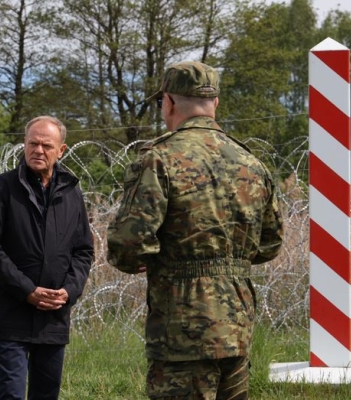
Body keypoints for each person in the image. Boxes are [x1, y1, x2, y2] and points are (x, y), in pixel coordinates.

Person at [107, 61, 283, 399]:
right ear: (215, 103)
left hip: (181, 327)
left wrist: (143, 259)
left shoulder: (159, 159)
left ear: (169, 102)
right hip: (236, 322)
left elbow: (128, 243)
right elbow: (271, 242)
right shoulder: (251, 163)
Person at [0, 116, 94, 400]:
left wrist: (69, 291)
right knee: (12, 394)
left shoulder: (71, 193)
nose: (38, 150)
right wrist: (27, 290)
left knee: (46, 394)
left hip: (54, 315)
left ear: (61, 150)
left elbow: (83, 250)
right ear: (24, 144)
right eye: (32, 143)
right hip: (11, 313)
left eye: (46, 145)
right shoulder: (1, 188)